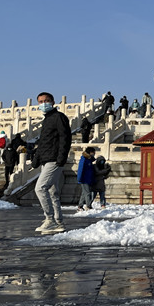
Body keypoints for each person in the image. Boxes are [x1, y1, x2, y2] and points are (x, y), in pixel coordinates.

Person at [33, 92, 71, 233]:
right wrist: (36, 159)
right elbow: (44, 142)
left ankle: (49, 219)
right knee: (52, 191)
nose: (44, 103)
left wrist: (61, 158)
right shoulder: (47, 119)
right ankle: (59, 222)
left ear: (53, 102)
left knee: (40, 188)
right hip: (46, 159)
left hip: (54, 159)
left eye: (47, 101)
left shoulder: (59, 117)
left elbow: (65, 138)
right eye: (41, 101)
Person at [76, 146, 96, 211]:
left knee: (84, 193)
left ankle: (80, 206)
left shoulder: (89, 160)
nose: (94, 153)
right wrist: (79, 179)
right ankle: (88, 206)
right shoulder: (84, 159)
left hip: (88, 179)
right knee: (87, 193)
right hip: (84, 179)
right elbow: (80, 170)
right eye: (93, 152)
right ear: (90, 152)